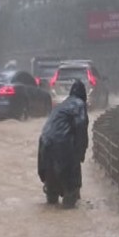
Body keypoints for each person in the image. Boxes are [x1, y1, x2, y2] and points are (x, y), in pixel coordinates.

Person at [37, 80, 89, 208]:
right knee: (71, 189)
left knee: (51, 188)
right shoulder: (79, 104)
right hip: (62, 145)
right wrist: (81, 153)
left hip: (44, 142)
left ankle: (51, 195)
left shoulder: (61, 106)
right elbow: (81, 127)